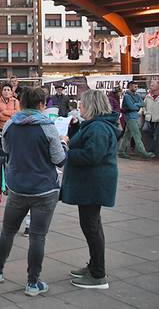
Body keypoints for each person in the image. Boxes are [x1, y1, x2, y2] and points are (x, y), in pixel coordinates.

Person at [0, 87, 68, 297]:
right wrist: (64, 143)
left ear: (22, 103)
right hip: (44, 188)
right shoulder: (48, 127)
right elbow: (59, 159)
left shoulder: (10, 125)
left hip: (18, 186)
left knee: (8, 231)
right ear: (41, 105)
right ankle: (32, 282)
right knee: (38, 236)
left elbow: (6, 151)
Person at [61, 90, 119, 290]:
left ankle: (98, 275)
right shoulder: (95, 126)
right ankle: (94, 266)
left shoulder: (99, 128)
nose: (80, 108)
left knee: (91, 228)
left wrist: (68, 151)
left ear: (92, 106)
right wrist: (74, 131)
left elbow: (92, 155)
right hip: (92, 184)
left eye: (82, 105)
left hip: (93, 185)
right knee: (93, 226)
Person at [118, 81, 155, 159]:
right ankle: (142, 152)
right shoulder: (127, 96)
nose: (136, 88)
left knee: (127, 135)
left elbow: (143, 103)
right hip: (130, 117)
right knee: (137, 134)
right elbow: (132, 107)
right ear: (130, 87)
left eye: (137, 87)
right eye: (135, 87)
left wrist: (135, 105)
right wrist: (137, 105)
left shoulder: (137, 95)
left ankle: (121, 151)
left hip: (134, 117)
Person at [144, 79, 159, 155]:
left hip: (157, 119)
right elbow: (143, 106)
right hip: (149, 119)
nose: (150, 86)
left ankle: (154, 152)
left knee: (156, 136)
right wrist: (145, 113)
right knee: (148, 134)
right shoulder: (148, 96)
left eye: (153, 85)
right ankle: (151, 151)